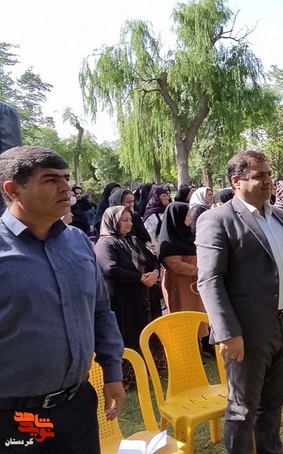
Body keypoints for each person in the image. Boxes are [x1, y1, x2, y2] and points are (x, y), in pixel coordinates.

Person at [0, 146, 124, 453]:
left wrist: (112, 372)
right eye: (50, 179)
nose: (66, 188)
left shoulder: (79, 241)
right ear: (13, 189)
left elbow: (100, 311)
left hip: (76, 406)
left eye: (66, 178)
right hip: (13, 417)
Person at [196, 151, 283, 454]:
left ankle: (271, 448)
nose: (268, 181)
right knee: (242, 409)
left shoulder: (279, 215)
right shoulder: (216, 220)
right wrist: (227, 332)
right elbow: (210, 280)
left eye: (268, 174)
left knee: (273, 401)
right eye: (259, 175)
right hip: (246, 332)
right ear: (236, 181)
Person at [94, 206, 163, 385]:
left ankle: (150, 367)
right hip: (123, 299)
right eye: (124, 220)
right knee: (128, 334)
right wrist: (139, 278)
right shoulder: (105, 244)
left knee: (146, 331)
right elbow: (110, 268)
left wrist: (155, 272)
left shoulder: (132, 240)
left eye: (130, 220)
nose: (128, 224)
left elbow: (152, 258)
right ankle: (128, 376)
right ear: (113, 222)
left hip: (144, 296)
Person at [158, 202, 209, 343]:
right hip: (180, 285)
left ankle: (196, 349)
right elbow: (175, 264)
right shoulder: (169, 241)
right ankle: (184, 351)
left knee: (197, 316)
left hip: (194, 284)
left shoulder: (187, 235)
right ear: (177, 217)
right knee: (183, 318)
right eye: (187, 215)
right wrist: (199, 269)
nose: (190, 218)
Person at [142, 186, 170, 254]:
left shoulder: (167, 211)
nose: (167, 198)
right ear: (156, 198)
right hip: (160, 250)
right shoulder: (152, 216)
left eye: (167, 195)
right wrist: (157, 252)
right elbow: (150, 235)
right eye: (163, 196)